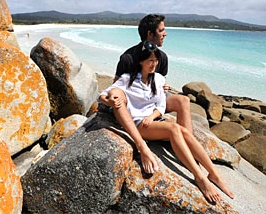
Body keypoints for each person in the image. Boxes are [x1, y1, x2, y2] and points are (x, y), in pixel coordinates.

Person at [99, 41, 234, 203]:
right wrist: (111, 101)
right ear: (141, 61)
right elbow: (104, 94)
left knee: (182, 131)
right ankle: (200, 177)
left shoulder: (159, 79)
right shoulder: (128, 79)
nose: (154, 64)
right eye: (150, 61)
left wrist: (152, 116)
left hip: (151, 121)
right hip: (139, 125)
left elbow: (161, 105)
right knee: (174, 129)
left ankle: (213, 174)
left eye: (156, 60)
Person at [110, 14, 193, 175]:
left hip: (154, 102)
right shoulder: (128, 58)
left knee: (183, 101)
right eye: (161, 30)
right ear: (150, 34)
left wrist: (164, 87)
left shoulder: (162, 57)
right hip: (135, 106)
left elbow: (158, 84)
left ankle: (187, 146)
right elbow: (116, 86)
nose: (165, 33)